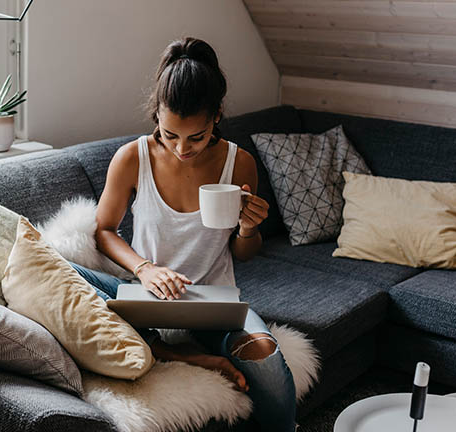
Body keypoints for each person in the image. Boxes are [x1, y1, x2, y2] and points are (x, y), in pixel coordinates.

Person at [69, 37, 297, 431]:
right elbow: (104, 231)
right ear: (156, 114)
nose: (181, 149)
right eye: (170, 134)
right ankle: (174, 352)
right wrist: (145, 269)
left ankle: (187, 352)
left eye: (196, 136)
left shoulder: (238, 164)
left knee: (268, 360)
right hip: (146, 301)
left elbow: (245, 254)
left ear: (216, 118)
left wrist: (248, 228)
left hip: (212, 306)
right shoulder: (132, 158)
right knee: (63, 270)